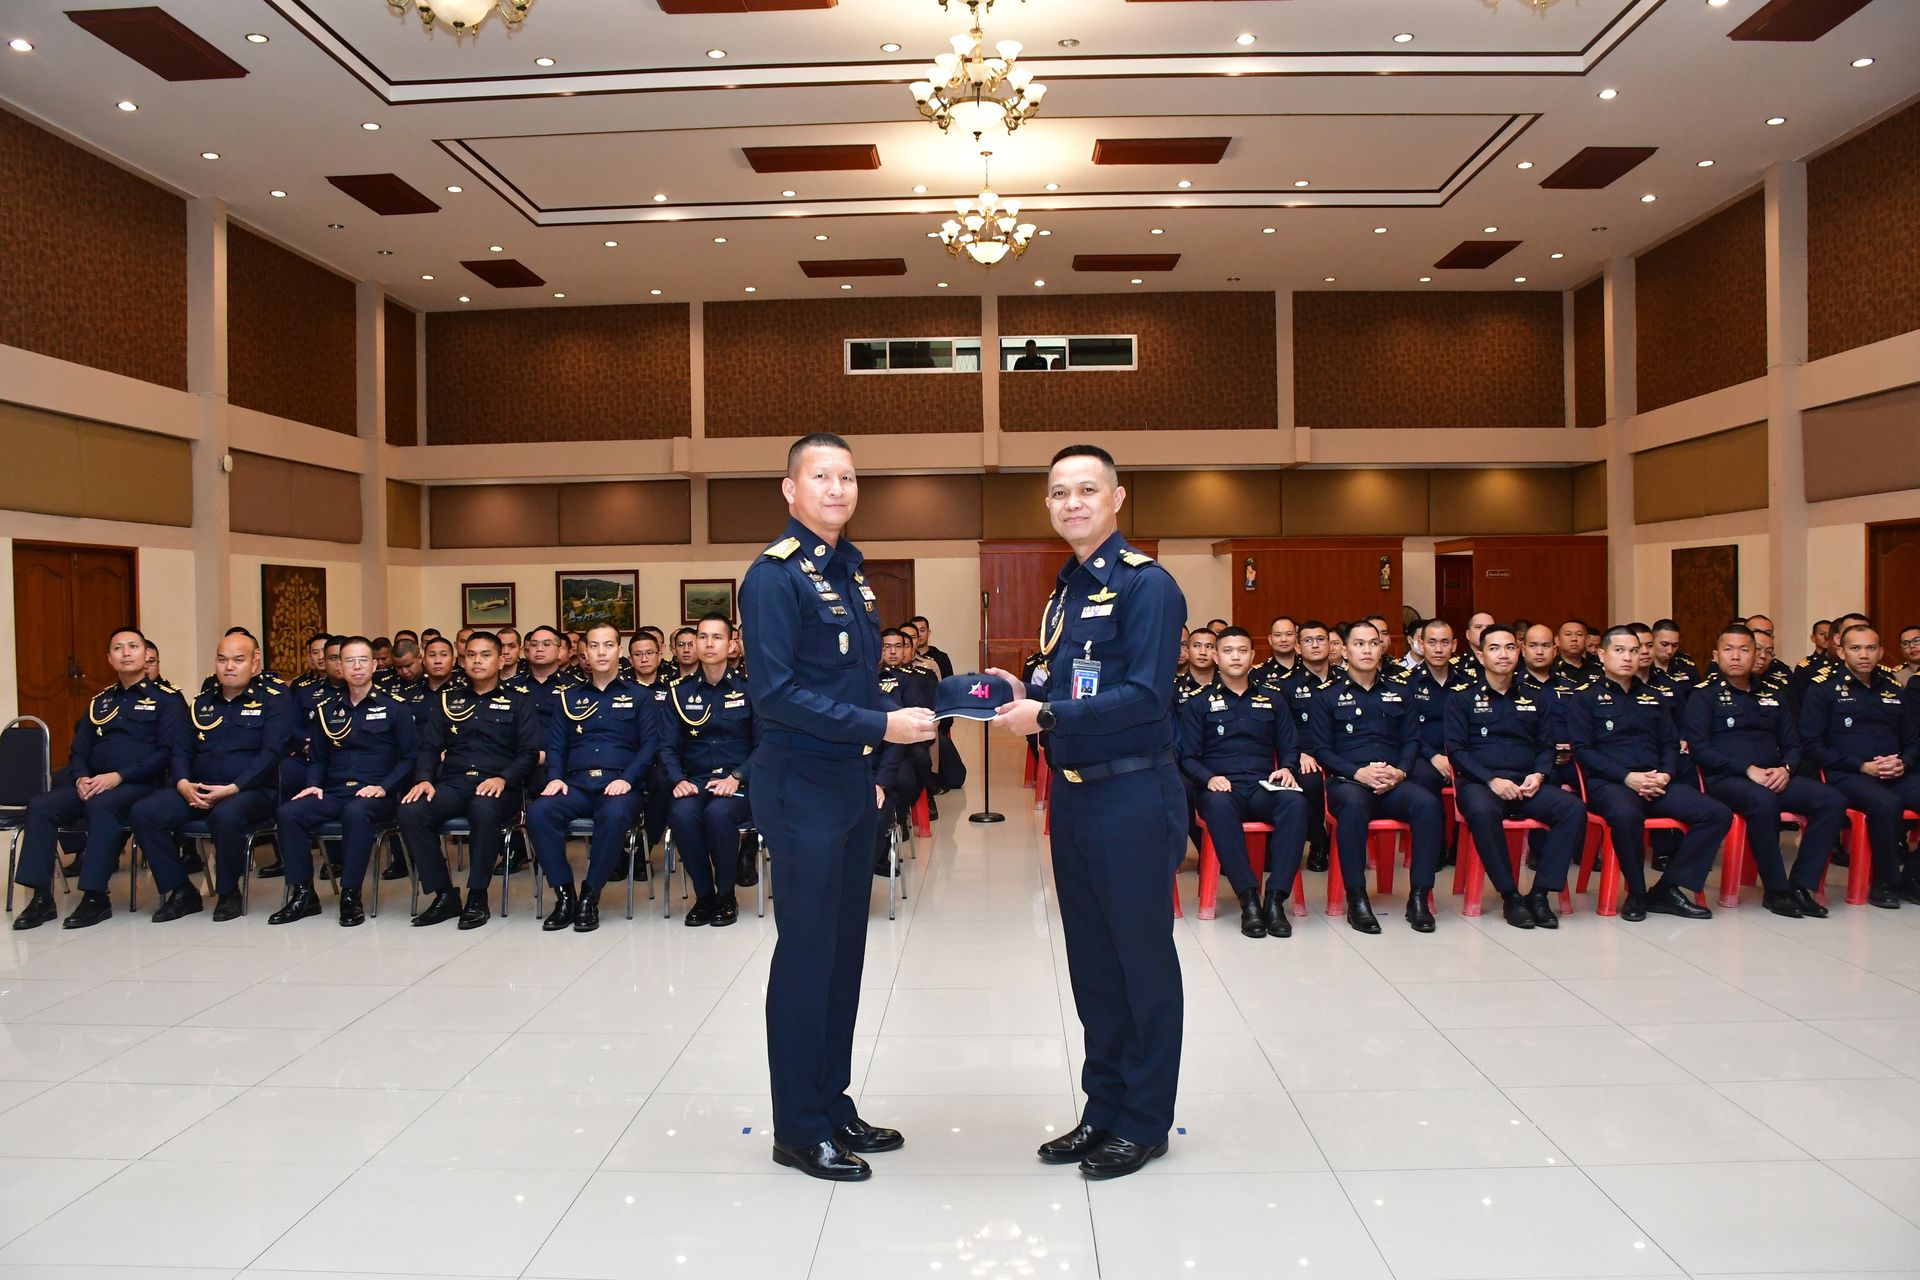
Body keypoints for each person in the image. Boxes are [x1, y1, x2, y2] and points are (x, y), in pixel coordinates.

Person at [742, 432, 935, 1182]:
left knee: (844, 953)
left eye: (847, 477)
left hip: (851, 784)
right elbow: (777, 694)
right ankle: (798, 1128)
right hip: (800, 784)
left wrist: (883, 737)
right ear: (790, 490)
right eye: (820, 476)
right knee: (806, 955)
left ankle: (831, 1101)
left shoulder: (851, 573)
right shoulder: (774, 578)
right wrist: (881, 727)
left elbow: (852, 684)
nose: (836, 488)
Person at [989, 442, 1186, 1180]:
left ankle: (1144, 1121)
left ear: (1117, 498)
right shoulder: (1068, 590)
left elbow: (1146, 696)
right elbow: (1076, 680)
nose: (1072, 503)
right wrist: (1030, 693)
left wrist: (1048, 715)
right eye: (1058, 493)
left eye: (1086, 490)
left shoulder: (1147, 586)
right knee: (1095, 966)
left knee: (1141, 962)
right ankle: (1104, 1108)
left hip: (1132, 794)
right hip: (1074, 794)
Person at [12, 627, 189, 931]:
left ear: (146, 654)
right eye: (118, 648)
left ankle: (95, 897)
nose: (126, 653)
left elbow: (166, 753)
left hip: (140, 784)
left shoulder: (167, 700)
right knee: (41, 805)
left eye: (133, 646)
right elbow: (79, 750)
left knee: (102, 805)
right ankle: (41, 898)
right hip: (95, 783)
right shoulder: (100, 702)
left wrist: (118, 777)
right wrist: (81, 777)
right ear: (109, 658)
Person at [1568, 625, 1733, 922]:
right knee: (1626, 814)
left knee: (1717, 813)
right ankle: (1637, 892)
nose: (1628, 657)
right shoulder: (1584, 698)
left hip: (1656, 781)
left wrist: (1666, 775)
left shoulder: (1654, 697)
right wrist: (1627, 778)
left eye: (1634, 651)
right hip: (1611, 784)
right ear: (1602, 655)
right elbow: (1583, 751)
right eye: (1619, 651)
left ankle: (1668, 888)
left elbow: (1669, 744)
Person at [129, 629, 293, 923]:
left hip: (250, 792)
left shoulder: (274, 702)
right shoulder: (201, 703)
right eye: (222, 659)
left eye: (238, 660)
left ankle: (228, 892)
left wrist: (233, 787)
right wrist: (182, 783)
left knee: (225, 816)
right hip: (197, 790)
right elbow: (181, 750)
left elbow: (271, 753)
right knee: (144, 812)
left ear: (254, 663)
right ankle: (181, 890)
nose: (229, 667)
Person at [1685, 624, 1846, 919]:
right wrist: (1747, 770)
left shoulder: (1774, 694)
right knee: (1763, 801)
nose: (1736, 656)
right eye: (1729, 650)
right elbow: (1700, 750)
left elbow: (1793, 744)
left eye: (1744, 650)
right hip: (1727, 779)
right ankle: (1776, 889)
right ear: (1716, 656)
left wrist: (1786, 769)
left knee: (1832, 800)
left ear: (1756, 655)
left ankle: (1801, 885)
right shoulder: (1703, 696)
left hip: (1775, 775)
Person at [1445, 625, 1588, 929]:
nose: (1503, 654)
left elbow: (1546, 745)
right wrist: (1491, 780)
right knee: (1483, 812)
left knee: (1573, 809)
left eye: (1510, 647)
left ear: (1519, 653)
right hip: (1482, 784)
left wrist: (1539, 774)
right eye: (1494, 648)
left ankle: (1540, 893)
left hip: (1526, 783)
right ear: (1481, 656)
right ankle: (1510, 896)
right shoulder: (1461, 699)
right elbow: (1456, 751)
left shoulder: (1536, 697)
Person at [1307, 621, 1446, 934]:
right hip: (1349, 782)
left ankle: (1419, 897)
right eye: (1359, 644)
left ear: (1382, 648)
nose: (1367, 650)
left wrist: (1400, 771)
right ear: (1344, 651)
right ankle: (1356, 898)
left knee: (1427, 804)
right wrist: (1358, 772)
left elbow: (1412, 740)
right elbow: (1322, 750)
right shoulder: (1326, 697)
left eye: (1373, 643)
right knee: (1353, 808)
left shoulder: (1401, 692)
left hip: (1393, 780)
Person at [270, 637, 418, 927]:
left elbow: (410, 758)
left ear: (374, 665)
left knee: (356, 812)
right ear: (339, 665)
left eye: (363, 660)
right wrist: (313, 783)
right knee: (288, 813)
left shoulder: (395, 707)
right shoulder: (327, 710)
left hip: (377, 794)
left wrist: (384, 787)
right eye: (349, 660)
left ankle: (350, 894)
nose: (357, 666)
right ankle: (303, 894)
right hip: (335, 792)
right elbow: (318, 758)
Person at [400, 631, 540, 929]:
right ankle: (444, 894)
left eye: (486, 655)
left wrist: (504, 778)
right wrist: (424, 779)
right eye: (471, 655)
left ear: (501, 660)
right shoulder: (448, 700)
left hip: (499, 786)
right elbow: (429, 748)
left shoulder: (519, 702)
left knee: (482, 808)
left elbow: (528, 753)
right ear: (462, 661)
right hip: (454, 783)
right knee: (411, 811)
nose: (477, 661)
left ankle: (477, 895)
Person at [527, 621, 661, 932]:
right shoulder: (567, 698)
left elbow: (650, 746)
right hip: (575, 784)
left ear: (619, 651)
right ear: (584, 652)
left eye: (608, 645)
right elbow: (556, 745)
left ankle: (590, 894)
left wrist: (628, 779)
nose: (601, 652)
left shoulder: (640, 696)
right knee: (539, 812)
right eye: (595, 646)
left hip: (620, 784)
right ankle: (564, 895)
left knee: (614, 816)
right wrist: (555, 777)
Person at [1178, 626, 1309, 939]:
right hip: (1221, 789)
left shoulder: (1273, 699)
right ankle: (1248, 898)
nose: (1235, 657)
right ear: (1216, 656)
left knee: (1296, 803)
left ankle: (1275, 900)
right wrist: (1209, 778)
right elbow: (1188, 757)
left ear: (1252, 656)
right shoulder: (1198, 703)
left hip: (1264, 786)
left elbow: (1290, 746)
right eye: (1227, 651)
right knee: (1218, 807)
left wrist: (1288, 768)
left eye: (1241, 651)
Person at [1801, 623, 1920, 907]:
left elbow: (1914, 739)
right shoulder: (1823, 689)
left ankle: (1913, 877)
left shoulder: (1894, 688)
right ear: (1842, 652)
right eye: (1855, 648)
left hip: (1895, 772)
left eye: (1870, 648)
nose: (1864, 655)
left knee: (1894, 796)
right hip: (1848, 774)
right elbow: (1812, 745)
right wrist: (1862, 766)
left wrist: (1904, 762)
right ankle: (1885, 881)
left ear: (1881, 652)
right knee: (1886, 804)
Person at [661, 614, 759, 926]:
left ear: (731, 645)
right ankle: (704, 896)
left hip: (740, 782)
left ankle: (726, 894)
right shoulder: (678, 693)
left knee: (718, 815)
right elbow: (666, 746)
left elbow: (766, 746)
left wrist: (737, 777)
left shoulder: (750, 690)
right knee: (682, 814)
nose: (709, 643)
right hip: (695, 780)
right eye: (702, 637)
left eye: (717, 637)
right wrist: (677, 779)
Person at [1275, 619, 1336, 873]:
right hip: (1305, 754)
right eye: (1308, 640)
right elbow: (1281, 730)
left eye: (1321, 639)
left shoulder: (1345, 679)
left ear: (1330, 645)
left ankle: (1346, 840)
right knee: (1310, 783)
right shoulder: (1285, 685)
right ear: (1298, 648)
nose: (1315, 645)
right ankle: (1319, 843)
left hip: (1341, 754)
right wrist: (1298, 753)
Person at [1253, 615, 1298, 688]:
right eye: (1278, 635)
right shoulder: (1258, 673)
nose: (1283, 639)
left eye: (1289, 634)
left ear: (1296, 637)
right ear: (1270, 640)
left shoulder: (1308, 668)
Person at [1175, 626, 1216, 702]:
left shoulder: (1228, 684)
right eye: (1197, 646)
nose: (1203, 652)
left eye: (1209, 647)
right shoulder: (1173, 687)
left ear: (1217, 654)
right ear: (1187, 652)